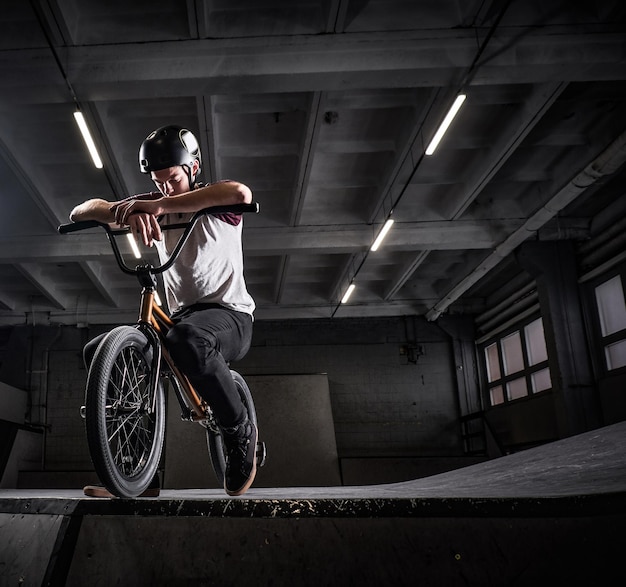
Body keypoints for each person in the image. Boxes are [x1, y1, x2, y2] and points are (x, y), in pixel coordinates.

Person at [70, 125, 257, 497]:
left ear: (193, 168)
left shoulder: (216, 203)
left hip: (230, 315)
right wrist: (124, 211)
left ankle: (239, 432)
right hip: (179, 318)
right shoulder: (150, 200)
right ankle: (138, 475)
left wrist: (157, 206)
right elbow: (81, 211)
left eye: (171, 179)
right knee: (99, 352)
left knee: (187, 339)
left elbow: (240, 192)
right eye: (158, 183)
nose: (165, 189)